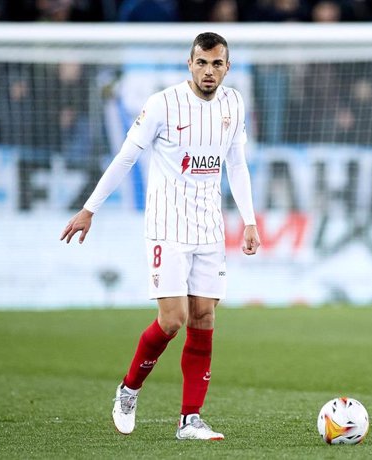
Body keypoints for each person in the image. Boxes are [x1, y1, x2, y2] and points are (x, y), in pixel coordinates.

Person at [60, 32, 261, 439]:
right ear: (190, 64)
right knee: (172, 321)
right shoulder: (162, 104)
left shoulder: (233, 104)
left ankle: (190, 419)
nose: (209, 71)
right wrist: (90, 208)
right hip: (167, 226)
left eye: (217, 64)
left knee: (204, 317)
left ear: (227, 67)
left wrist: (250, 220)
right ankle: (129, 388)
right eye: (202, 63)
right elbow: (125, 157)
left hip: (209, 227)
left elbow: (236, 164)